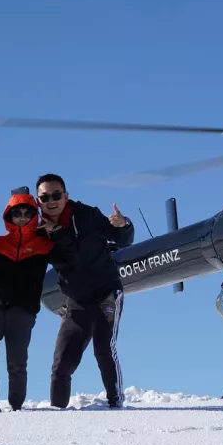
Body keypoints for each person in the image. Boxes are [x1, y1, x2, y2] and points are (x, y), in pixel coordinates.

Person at [35, 173, 134, 409]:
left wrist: (125, 225)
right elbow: (61, 257)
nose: (51, 201)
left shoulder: (87, 215)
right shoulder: (39, 231)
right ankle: (57, 410)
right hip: (77, 299)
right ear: (38, 201)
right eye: (44, 197)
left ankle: (116, 404)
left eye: (56, 195)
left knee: (103, 349)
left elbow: (122, 240)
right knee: (61, 363)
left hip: (106, 292)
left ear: (66, 196)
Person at [0, 187, 66, 412]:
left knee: (17, 361)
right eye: (17, 213)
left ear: (34, 216)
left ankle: (16, 405)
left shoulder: (44, 245)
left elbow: (68, 258)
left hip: (23, 308)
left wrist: (56, 231)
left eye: (27, 213)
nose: (22, 217)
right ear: (8, 216)